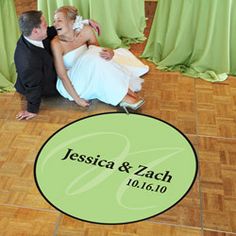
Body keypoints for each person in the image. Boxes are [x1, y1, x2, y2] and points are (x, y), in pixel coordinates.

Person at [51, 6, 149, 112]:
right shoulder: (56, 43)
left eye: (59, 20)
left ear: (72, 22)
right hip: (73, 83)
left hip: (92, 73)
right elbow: (62, 75)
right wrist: (77, 99)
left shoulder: (86, 31)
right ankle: (124, 96)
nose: (55, 24)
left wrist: (110, 52)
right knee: (93, 56)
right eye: (54, 21)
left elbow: (99, 53)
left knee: (96, 55)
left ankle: (126, 94)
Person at [14, 10, 100, 120]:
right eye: (45, 25)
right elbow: (33, 87)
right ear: (35, 31)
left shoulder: (36, 34)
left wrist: (83, 22)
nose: (51, 26)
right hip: (45, 85)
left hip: (54, 69)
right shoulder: (27, 62)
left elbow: (53, 30)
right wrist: (32, 109)